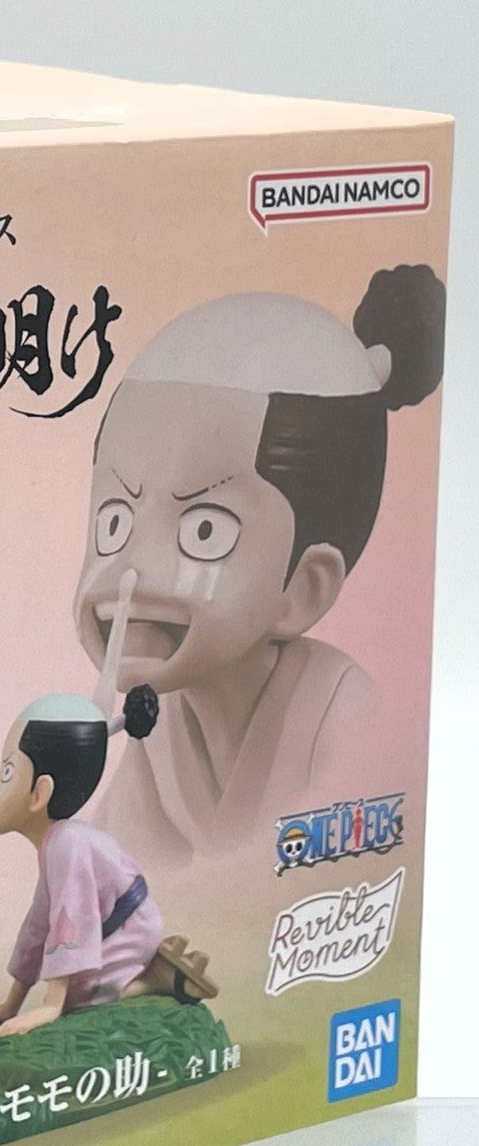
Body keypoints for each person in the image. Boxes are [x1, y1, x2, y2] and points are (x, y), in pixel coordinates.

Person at [71, 264, 444, 867]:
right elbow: (125, 876)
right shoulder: (158, 723)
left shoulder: (342, 715)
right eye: (114, 523)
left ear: (305, 588)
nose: (131, 569)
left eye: (204, 531)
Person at [0, 684, 216, 1041]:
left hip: (130, 927)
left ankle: (154, 980)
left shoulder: (67, 844)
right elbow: (39, 924)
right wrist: (11, 1003)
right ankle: (141, 972)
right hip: (116, 924)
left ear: (39, 792)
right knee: (69, 979)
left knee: (79, 998)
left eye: (6, 772)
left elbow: (70, 922)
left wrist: (52, 1005)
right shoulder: (57, 844)